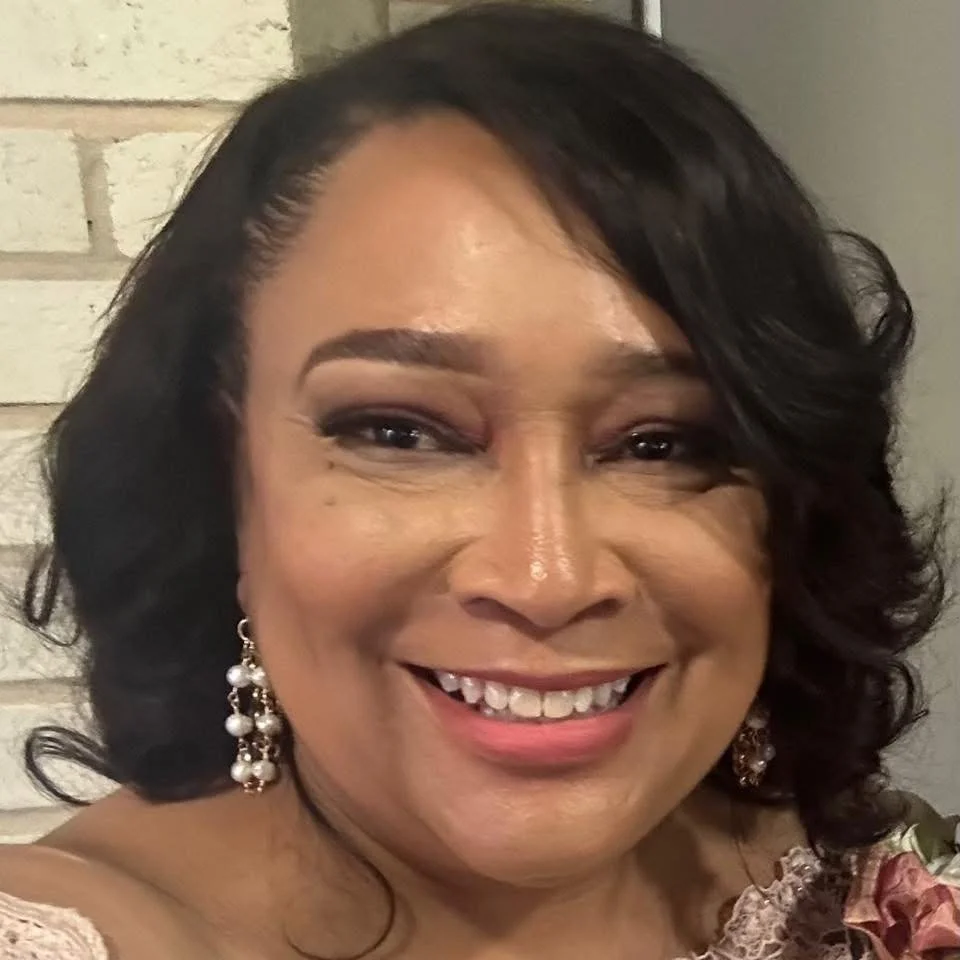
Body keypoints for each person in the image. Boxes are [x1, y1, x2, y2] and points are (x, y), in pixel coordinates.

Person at [0, 4, 956, 958]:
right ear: (225, 488)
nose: (547, 579)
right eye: (400, 432)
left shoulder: (891, 895)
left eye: (662, 444)